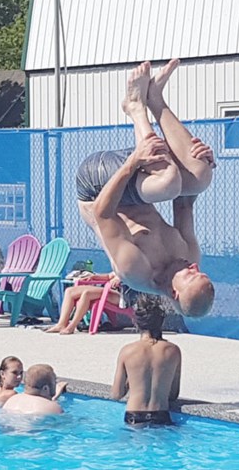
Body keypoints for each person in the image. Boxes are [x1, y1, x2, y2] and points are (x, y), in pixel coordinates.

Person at [76, 59, 217, 317]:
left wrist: (134, 161)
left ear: (174, 292)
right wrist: (203, 159)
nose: (193, 267)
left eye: (191, 275)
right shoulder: (188, 254)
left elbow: (101, 213)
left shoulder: (135, 270)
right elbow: (184, 202)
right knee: (200, 175)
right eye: (199, 271)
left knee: (169, 181)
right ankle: (155, 99)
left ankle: (135, 109)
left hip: (96, 185)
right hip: (138, 182)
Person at [110, 294, 182, 427]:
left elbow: (116, 394)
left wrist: (132, 381)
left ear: (135, 322)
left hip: (134, 417)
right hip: (161, 416)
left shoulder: (128, 351)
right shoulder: (173, 351)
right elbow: (173, 395)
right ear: (161, 322)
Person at [45, 271, 125, 335]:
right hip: (109, 291)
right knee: (69, 291)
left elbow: (134, 278)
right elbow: (109, 276)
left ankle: (72, 326)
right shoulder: (120, 264)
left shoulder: (133, 264)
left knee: (87, 293)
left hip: (123, 295)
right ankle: (61, 324)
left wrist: (121, 278)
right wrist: (93, 277)